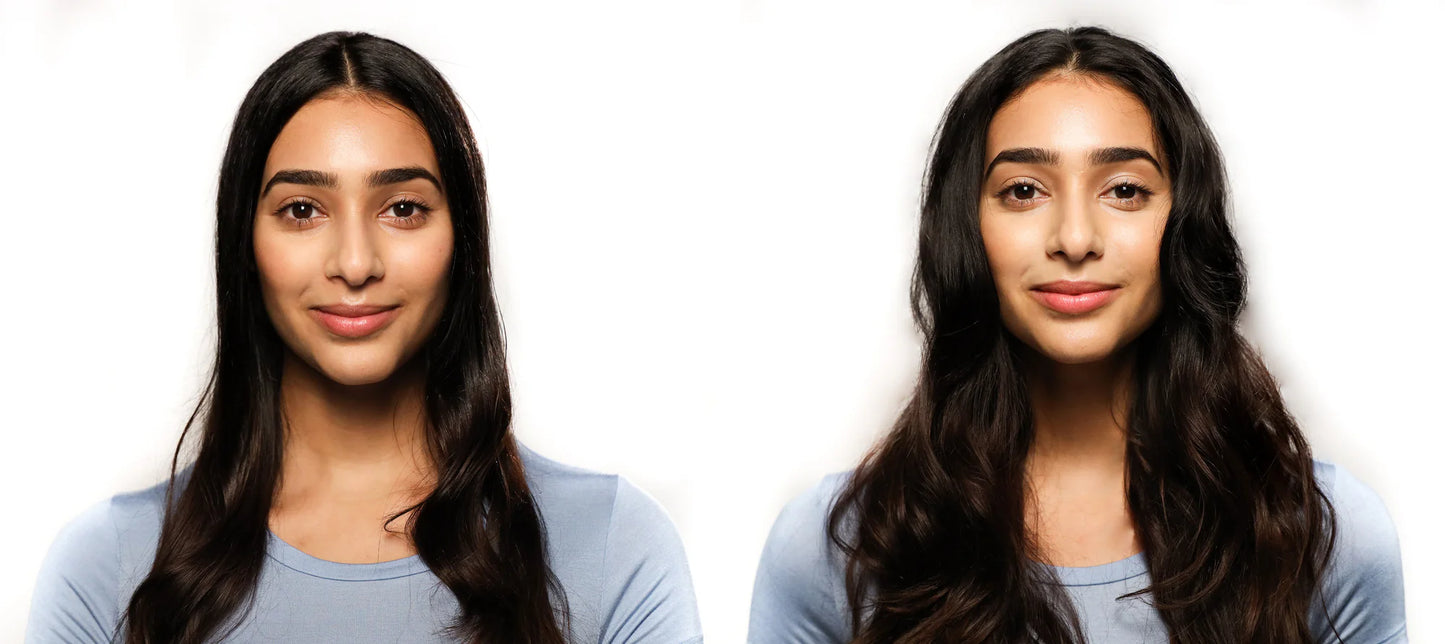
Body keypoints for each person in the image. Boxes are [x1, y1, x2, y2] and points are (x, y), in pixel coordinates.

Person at [26, 31, 703, 644]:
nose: (354, 263)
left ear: (461, 238)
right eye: (302, 210)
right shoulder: (110, 565)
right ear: (244, 242)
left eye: (403, 208)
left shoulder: (613, 547)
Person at [748, 26, 1405, 644]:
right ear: (964, 228)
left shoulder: (1323, 535)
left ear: (1181, 224)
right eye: (1023, 190)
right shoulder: (836, 546)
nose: (1073, 239)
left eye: (1123, 189)